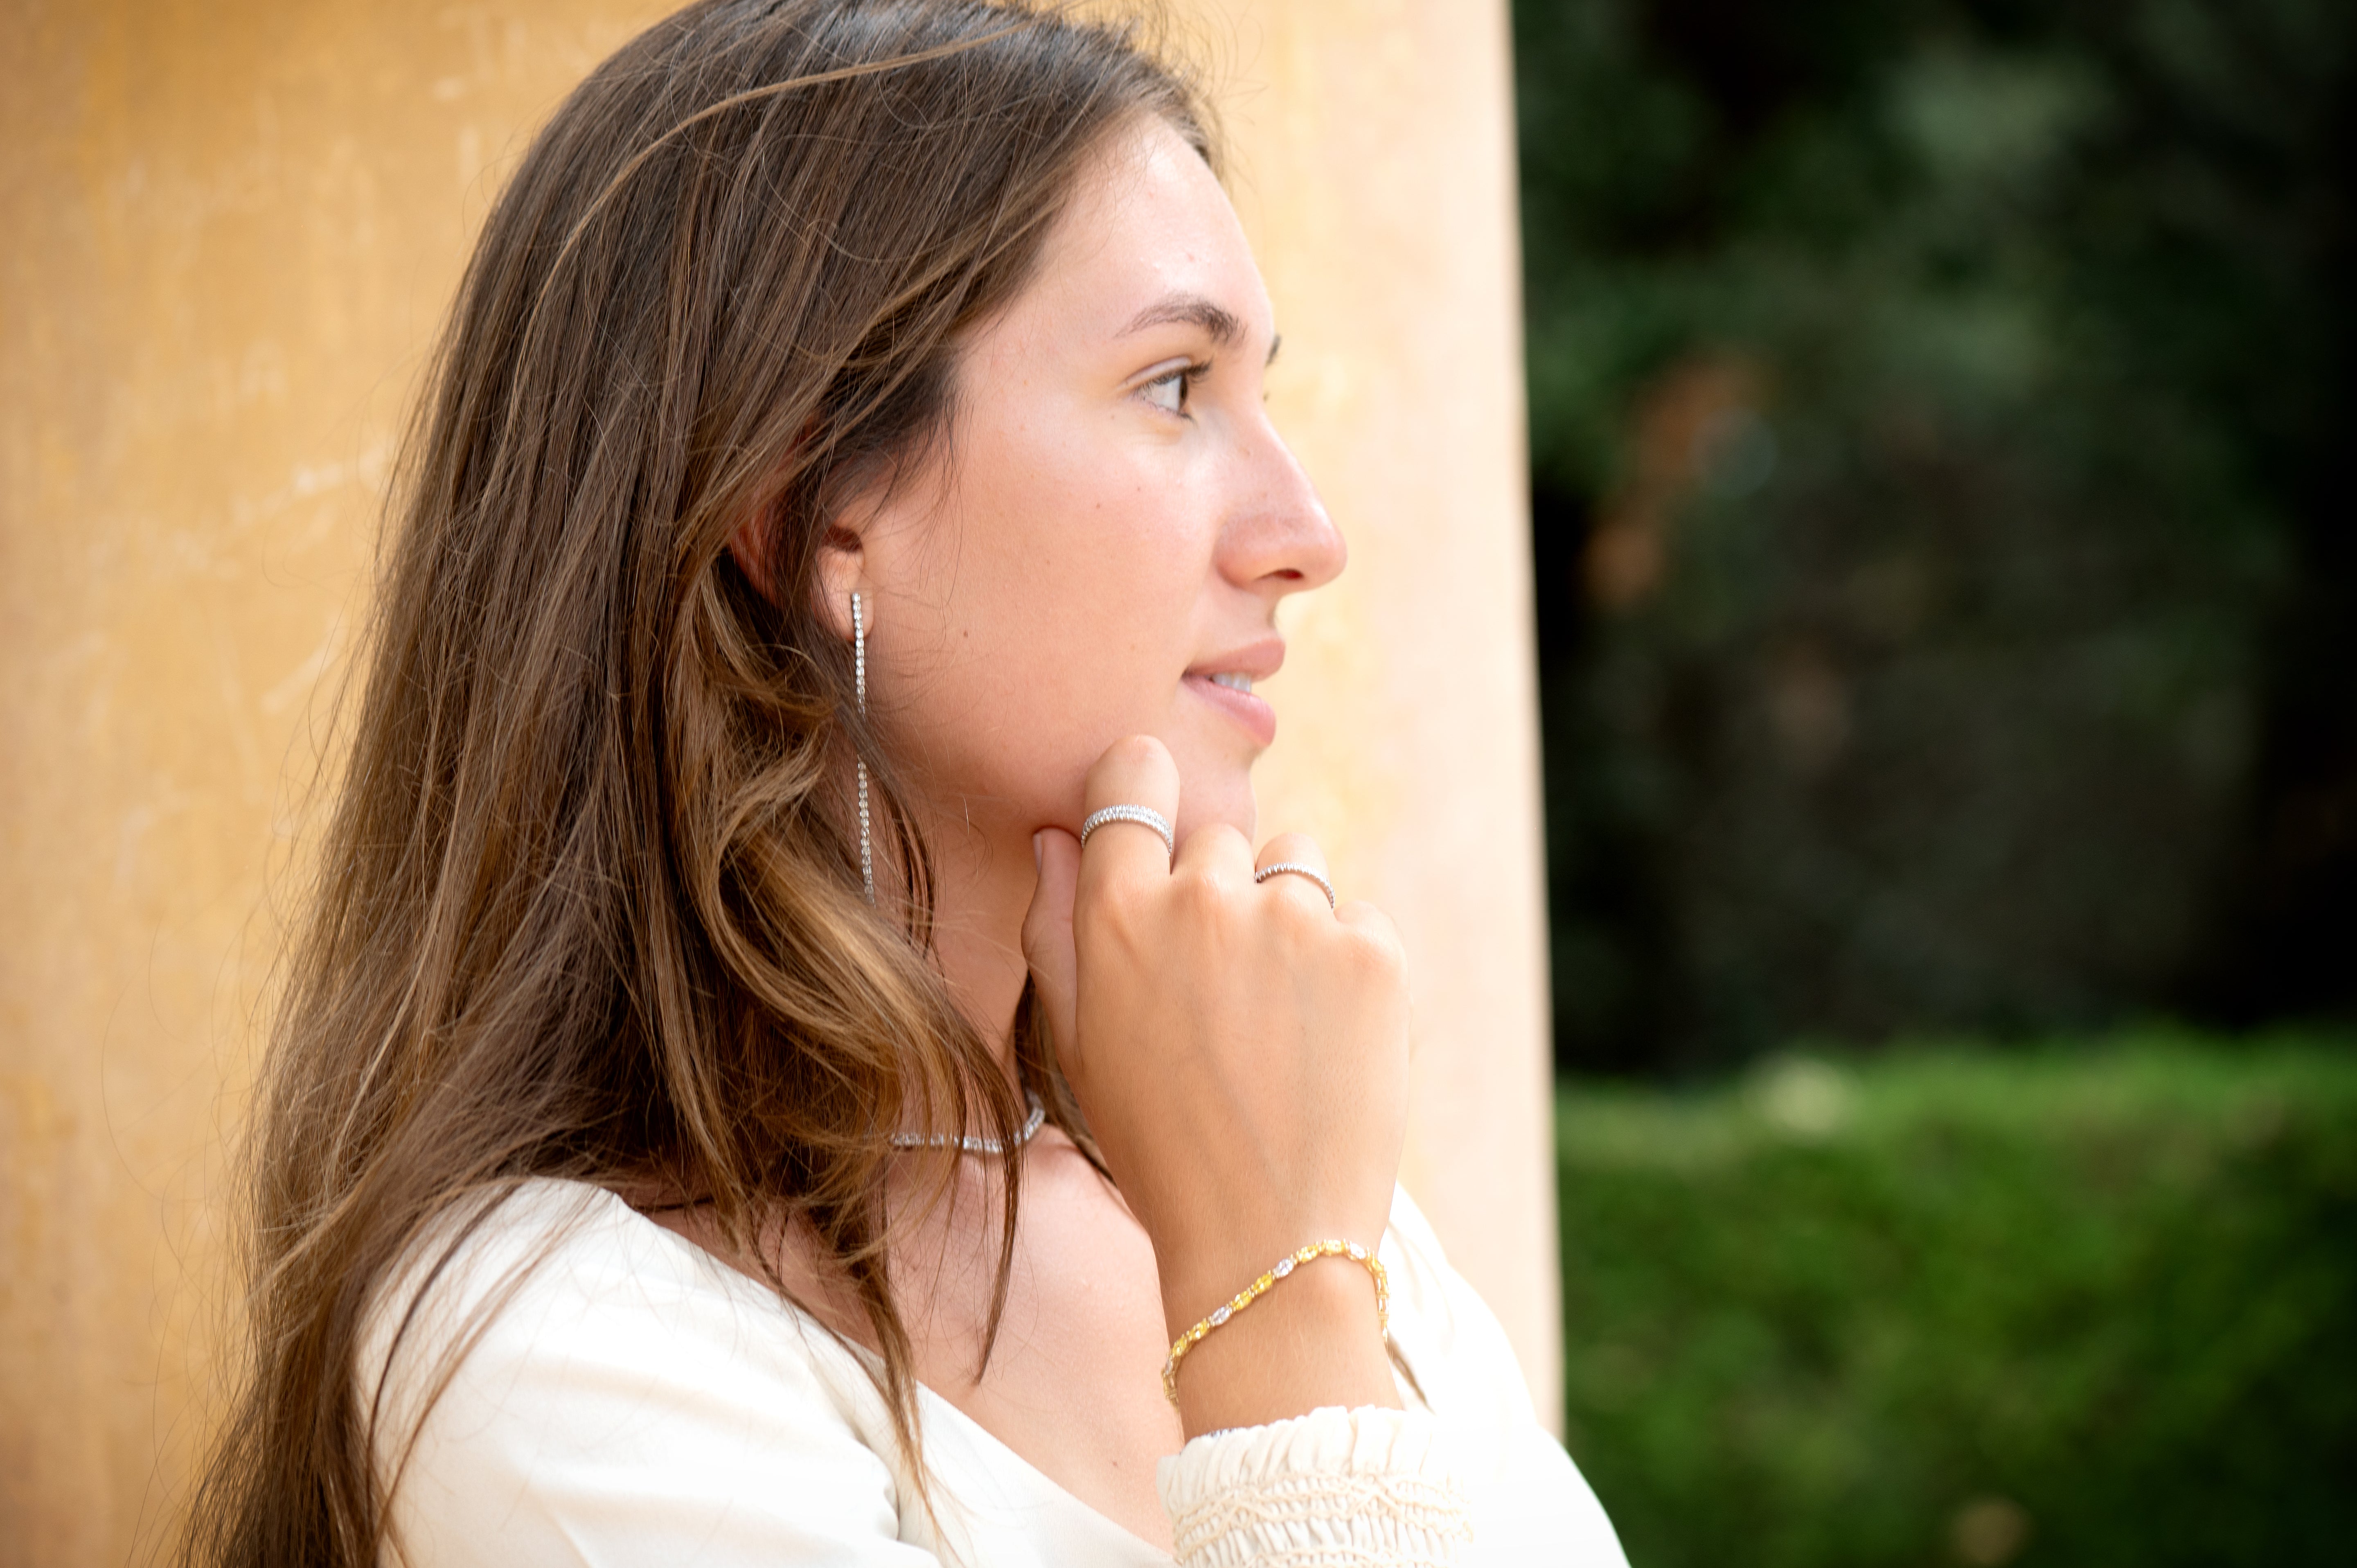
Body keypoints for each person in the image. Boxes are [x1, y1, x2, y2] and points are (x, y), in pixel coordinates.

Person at [185, 3, 1629, 1564]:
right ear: (817, 507)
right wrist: (1276, 1338)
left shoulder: (1283, 1193)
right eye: (1172, 387)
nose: (1305, 531)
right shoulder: (547, 1343)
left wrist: (1288, 1266)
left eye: (1261, 393)